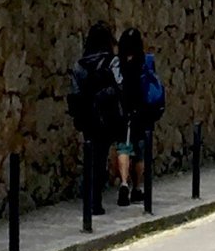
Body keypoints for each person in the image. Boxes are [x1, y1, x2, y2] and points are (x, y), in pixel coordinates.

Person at [66, 22, 124, 216]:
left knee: (91, 155)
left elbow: (74, 93)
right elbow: (120, 86)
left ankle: (89, 197)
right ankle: (95, 201)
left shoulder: (80, 65)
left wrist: (78, 114)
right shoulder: (112, 62)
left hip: (87, 117)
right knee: (101, 156)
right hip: (106, 117)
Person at [114, 25, 163, 204]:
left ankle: (124, 183)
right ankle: (137, 187)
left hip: (123, 110)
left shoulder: (117, 63)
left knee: (123, 147)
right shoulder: (147, 61)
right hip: (143, 111)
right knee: (140, 152)